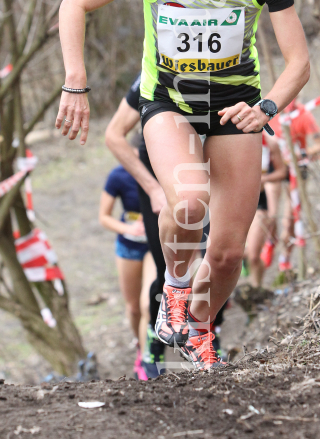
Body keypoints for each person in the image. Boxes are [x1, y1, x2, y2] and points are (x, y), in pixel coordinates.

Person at [56, 0, 310, 370]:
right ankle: (172, 292)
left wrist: (266, 107)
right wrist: (75, 81)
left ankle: (199, 326)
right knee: (189, 201)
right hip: (169, 102)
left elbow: (299, 62)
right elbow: (74, 3)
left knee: (228, 255)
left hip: (235, 107)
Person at [105, 75, 228, 376]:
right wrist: (151, 187)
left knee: (219, 259)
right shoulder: (153, 72)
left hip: (208, 183)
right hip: (164, 192)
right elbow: (113, 135)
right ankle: (153, 345)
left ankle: (209, 333)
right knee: (171, 267)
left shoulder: (226, 61)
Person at [99, 164, 156, 380]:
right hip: (129, 246)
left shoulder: (163, 168)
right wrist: (128, 229)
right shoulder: (119, 175)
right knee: (133, 309)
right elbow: (104, 217)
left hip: (154, 245)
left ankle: (148, 359)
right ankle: (140, 347)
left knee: (147, 305)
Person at [266, 98, 320, 271]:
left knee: (289, 220)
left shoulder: (304, 114)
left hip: (296, 168)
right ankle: (270, 241)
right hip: (275, 168)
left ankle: (285, 257)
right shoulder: (271, 110)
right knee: (271, 214)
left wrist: (299, 153)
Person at [244, 134, 288, 287]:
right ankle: (255, 286)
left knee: (253, 255)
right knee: (240, 254)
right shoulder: (228, 139)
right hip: (238, 201)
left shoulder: (270, 142)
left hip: (261, 201)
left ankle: (256, 288)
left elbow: (282, 172)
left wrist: (262, 180)